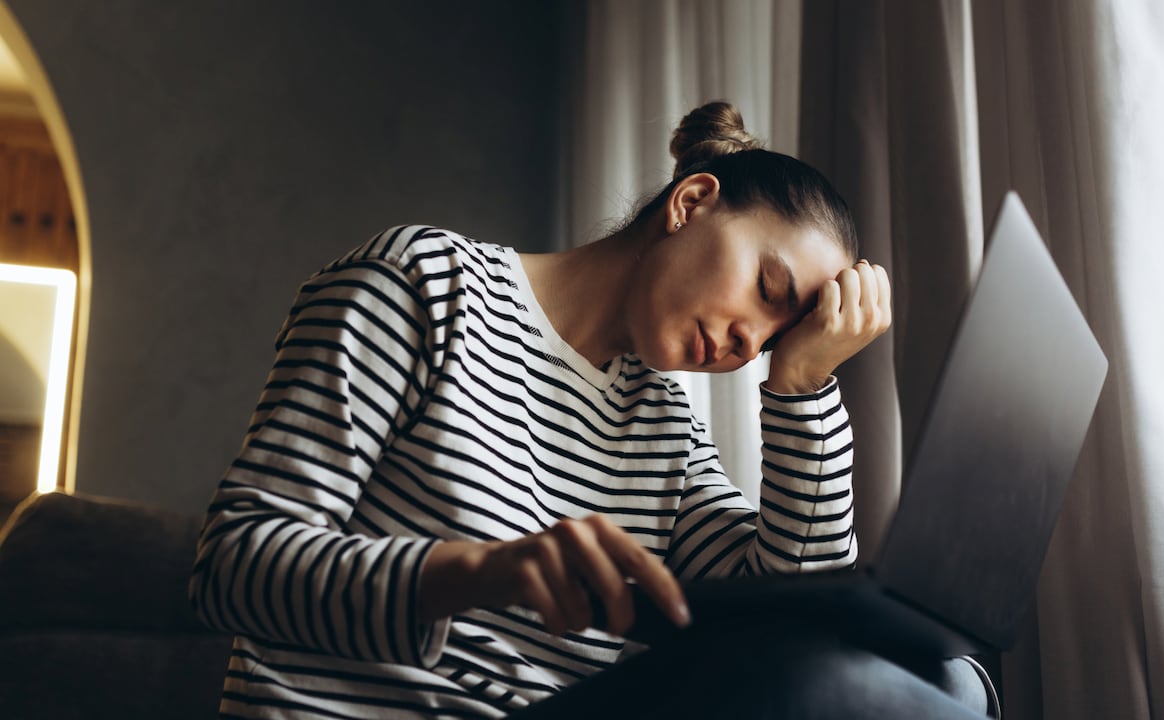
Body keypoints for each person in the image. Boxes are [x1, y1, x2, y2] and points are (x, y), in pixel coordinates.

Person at [189, 101, 993, 718]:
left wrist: (804, 388)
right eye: (768, 290)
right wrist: (475, 572)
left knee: (948, 681)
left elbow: (794, 615)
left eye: (779, 334)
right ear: (692, 202)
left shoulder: (665, 427)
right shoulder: (425, 285)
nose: (750, 341)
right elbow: (231, 564)